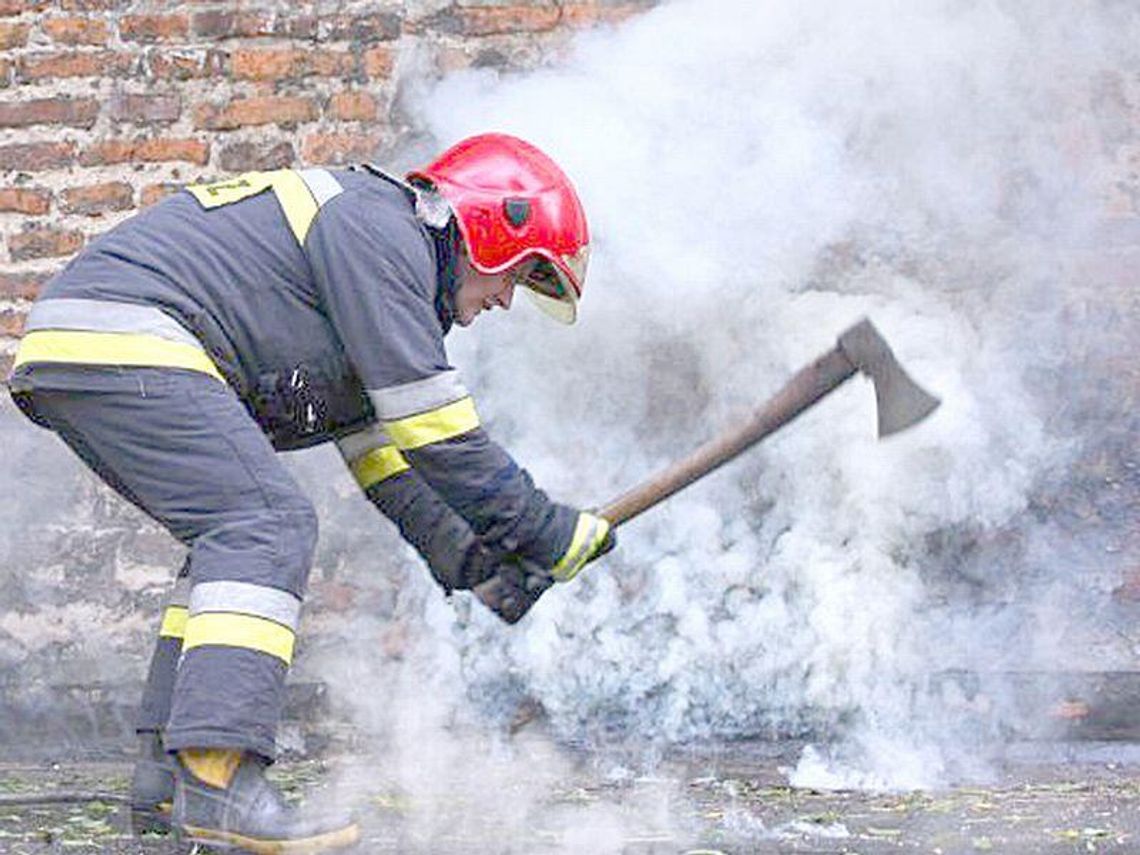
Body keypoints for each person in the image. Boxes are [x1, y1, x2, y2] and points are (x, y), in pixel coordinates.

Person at [6, 132, 615, 853]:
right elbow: (438, 432)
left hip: (88, 340)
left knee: (230, 533)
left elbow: (386, 456)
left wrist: (474, 563)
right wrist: (543, 529)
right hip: (129, 332)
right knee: (264, 523)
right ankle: (220, 779)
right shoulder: (382, 232)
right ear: (485, 225)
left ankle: (167, 782)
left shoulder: (377, 269)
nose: (508, 300)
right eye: (518, 273)